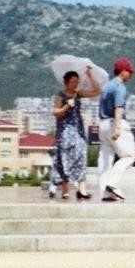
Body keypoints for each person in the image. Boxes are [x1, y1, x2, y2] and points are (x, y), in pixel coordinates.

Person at [49, 67, 100, 200]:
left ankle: (82, 189)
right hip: (65, 131)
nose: (75, 84)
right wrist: (67, 106)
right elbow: (56, 112)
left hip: (78, 130)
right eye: (73, 82)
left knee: (81, 156)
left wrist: (90, 76)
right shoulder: (60, 95)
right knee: (64, 158)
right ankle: (65, 189)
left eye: (77, 81)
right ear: (66, 82)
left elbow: (96, 91)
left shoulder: (78, 94)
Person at [98, 59, 135, 202]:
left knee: (105, 160)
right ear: (123, 71)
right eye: (129, 71)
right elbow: (118, 107)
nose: (131, 74)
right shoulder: (120, 87)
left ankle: (105, 193)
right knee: (130, 155)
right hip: (114, 122)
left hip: (102, 123)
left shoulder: (106, 86)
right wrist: (118, 127)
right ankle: (112, 183)